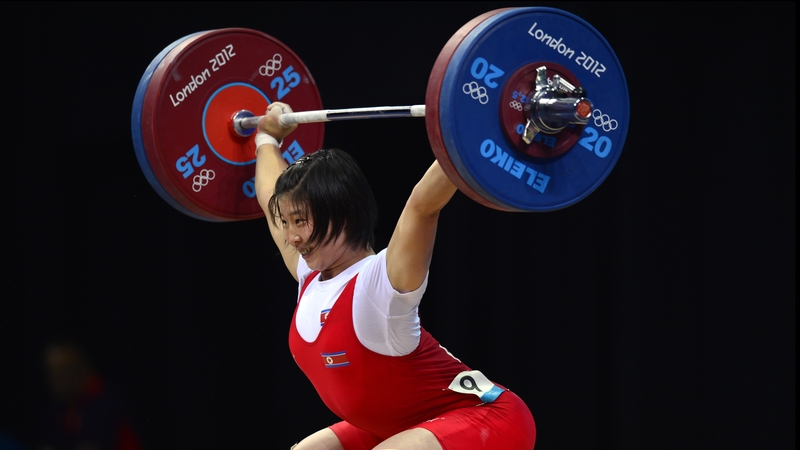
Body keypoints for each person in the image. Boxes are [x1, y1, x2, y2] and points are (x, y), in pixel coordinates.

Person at [255, 102, 536, 450]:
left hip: (485, 418)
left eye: (300, 221)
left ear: (342, 216)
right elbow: (269, 195)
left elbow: (423, 205)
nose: (292, 236)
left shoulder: (380, 281)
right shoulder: (308, 275)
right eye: (287, 223)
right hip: (397, 425)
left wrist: (482, 126)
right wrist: (266, 138)